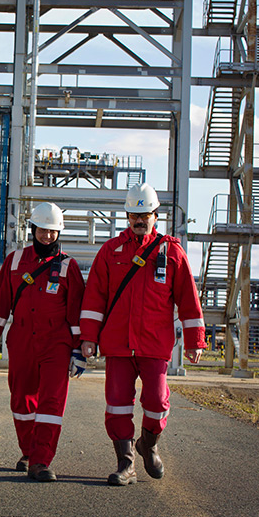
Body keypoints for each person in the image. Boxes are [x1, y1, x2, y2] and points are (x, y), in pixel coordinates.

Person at [79, 183, 207, 486]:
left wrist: (195, 340)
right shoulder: (110, 252)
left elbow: (188, 299)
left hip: (154, 344)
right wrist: (88, 337)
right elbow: (94, 298)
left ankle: (148, 444)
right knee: (118, 405)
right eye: (135, 214)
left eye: (145, 214)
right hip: (119, 345)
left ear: (155, 215)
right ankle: (126, 464)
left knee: (157, 402)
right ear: (127, 215)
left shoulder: (171, 251)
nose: (140, 220)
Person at [0, 202, 86, 482]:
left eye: (52, 231)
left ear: (58, 232)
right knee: (21, 400)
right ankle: (28, 451)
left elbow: (76, 311)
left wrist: (79, 349)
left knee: (52, 402)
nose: (47, 236)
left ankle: (41, 460)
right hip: (22, 339)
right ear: (33, 229)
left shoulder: (68, 267)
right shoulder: (14, 262)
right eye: (42, 230)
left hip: (57, 343)